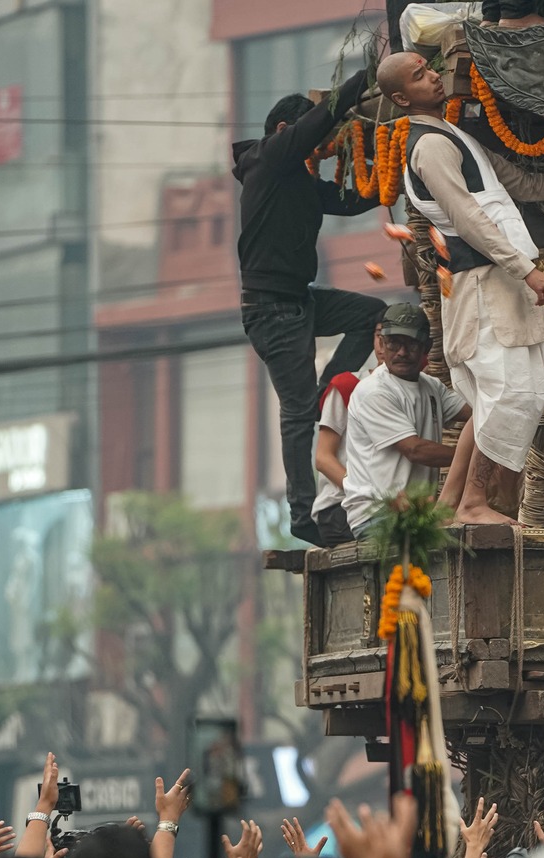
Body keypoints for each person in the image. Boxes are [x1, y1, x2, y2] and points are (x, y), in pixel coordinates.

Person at [380, 51, 544, 526]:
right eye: (419, 76)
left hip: (495, 278)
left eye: (430, 69)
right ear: (401, 98)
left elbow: (515, 185)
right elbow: (467, 216)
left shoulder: (450, 134)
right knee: (510, 392)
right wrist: (525, 269)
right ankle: (474, 503)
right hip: (486, 281)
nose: (434, 78)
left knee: (493, 396)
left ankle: (450, 505)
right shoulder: (429, 147)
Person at [232, 65, 387, 545]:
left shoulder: (296, 182)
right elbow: (318, 122)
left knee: (372, 316)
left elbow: (356, 199)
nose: (321, 153)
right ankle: (303, 517)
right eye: (316, 145)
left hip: (299, 301)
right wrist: (370, 76)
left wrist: (390, 152)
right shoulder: (268, 161)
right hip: (273, 312)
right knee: (297, 414)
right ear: (285, 132)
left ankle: (324, 395)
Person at [339, 304, 461, 535]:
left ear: (427, 346)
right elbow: (414, 449)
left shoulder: (431, 387)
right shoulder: (374, 391)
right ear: (382, 345)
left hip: (415, 514)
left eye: (411, 344)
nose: (402, 352)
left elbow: (475, 412)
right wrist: (470, 459)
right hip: (377, 516)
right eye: (394, 343)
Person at [311, 367, 364, 548]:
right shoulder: (348, 385)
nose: (401, 351)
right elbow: (322, 458)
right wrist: (367, 492)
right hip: (340, 508)